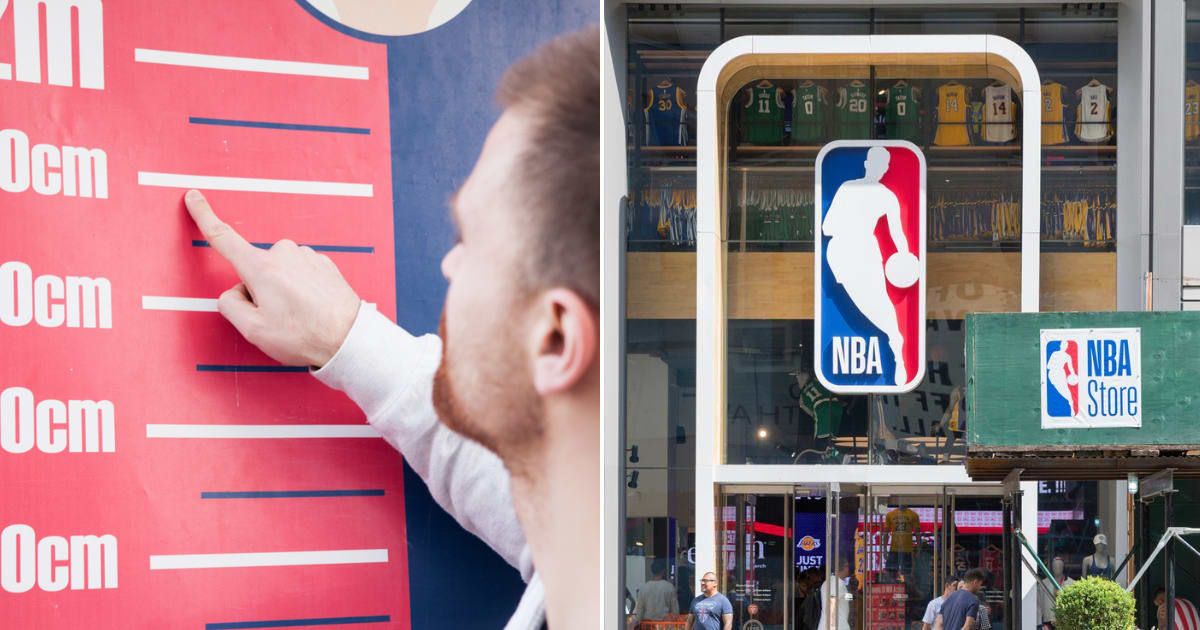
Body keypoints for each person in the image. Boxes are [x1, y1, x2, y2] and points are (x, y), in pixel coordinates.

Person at [181, 26, 599, 630]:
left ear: (555, 338)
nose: (447, 264)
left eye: (471, 241)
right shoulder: (588, 553)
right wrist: (349, 339)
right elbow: (508, 473)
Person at [822, 145, 913, 385]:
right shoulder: (851, 189)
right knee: (874, 304)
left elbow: (898, 233)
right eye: (879, 164)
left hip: (858, 251)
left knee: (879, 303)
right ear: (868, 164)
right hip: (846, 252)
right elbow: (826, 227)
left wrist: (905, 257)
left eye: (884, 166)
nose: (882, 170)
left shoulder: (882, 195)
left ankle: (897, 346)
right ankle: (896, 343)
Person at [631, 559, 679, 627]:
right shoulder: (669, 587)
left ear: (652, 571)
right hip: (664, 626)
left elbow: (639, 612)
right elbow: (675, 612)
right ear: (663, 571)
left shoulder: (643, 588)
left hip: (647, 626)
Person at [817, 562, 853, 630]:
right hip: (836, 626)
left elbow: (843, 596)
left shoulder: (828, 582)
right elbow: (832, 601)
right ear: (845, 567)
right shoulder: (838, 583)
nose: (849, 569)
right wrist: (832, 626)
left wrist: (854, 596)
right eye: (848, 566)